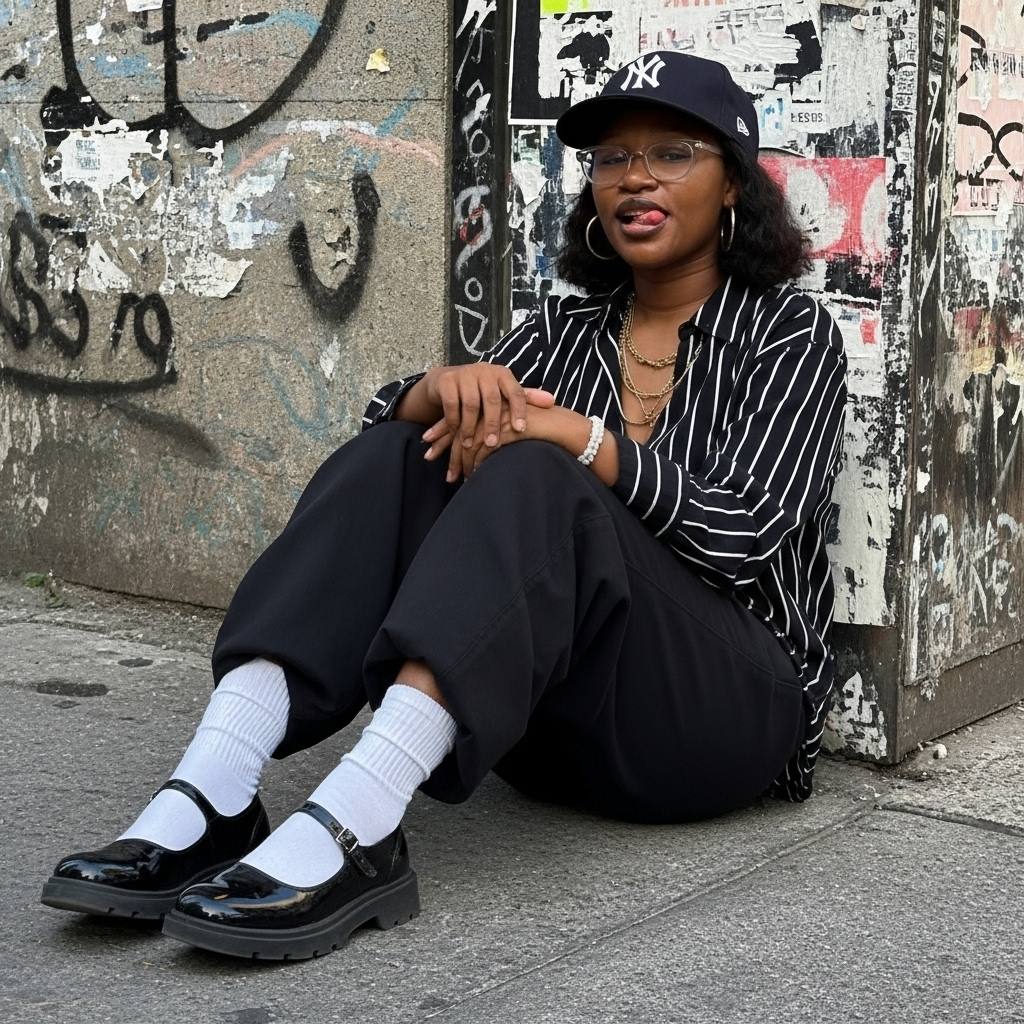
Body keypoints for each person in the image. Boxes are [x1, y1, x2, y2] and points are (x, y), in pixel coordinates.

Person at [39, 50, 848, 962]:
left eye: (670, 153)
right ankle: (216, 786)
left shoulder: (788, 332)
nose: (634, 180)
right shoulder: (563, 329)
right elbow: (395, 458)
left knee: (543, 471)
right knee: (407, 446)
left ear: (733, 182)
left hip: (721, 719)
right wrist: (439, 391)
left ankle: (358, 823)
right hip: (552, 735)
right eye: (612, 159)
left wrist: (585, 444)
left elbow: (745, 535)